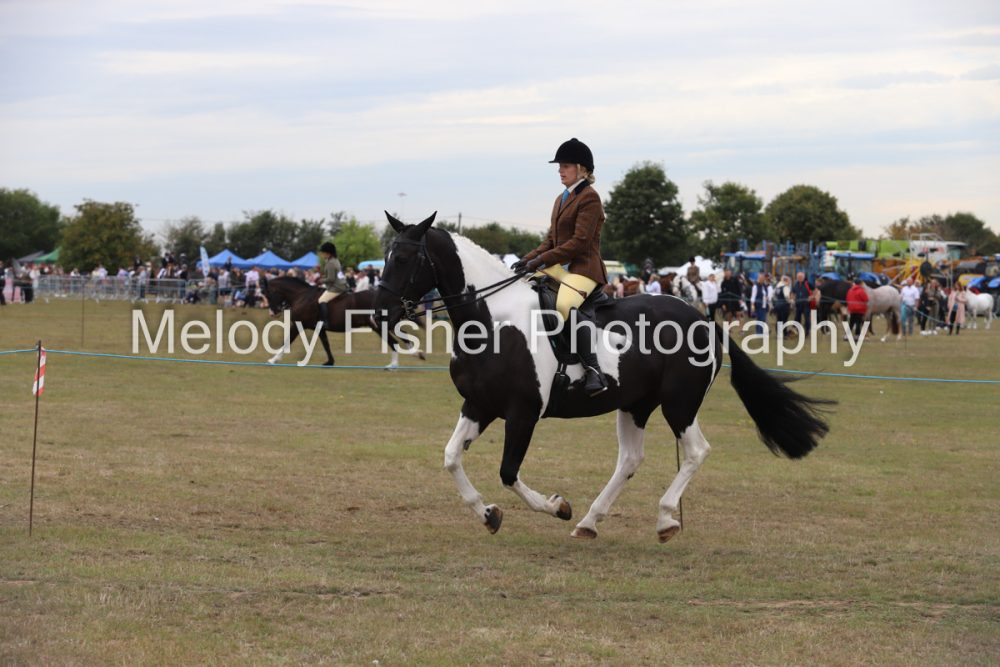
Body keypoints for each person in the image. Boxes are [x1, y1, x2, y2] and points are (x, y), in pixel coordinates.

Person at [513, 137, 608, 396]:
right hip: (560, 268)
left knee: (564, 305)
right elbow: (550, 241)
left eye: (565, 166)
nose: (560, 170)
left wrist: (541, 260)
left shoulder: (590, 198)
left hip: (584, 269)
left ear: (581, 169)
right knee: (522, 286)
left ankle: (594, 370)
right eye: (560, 166)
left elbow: (579, 242)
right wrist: (526, 260)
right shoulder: (561, 199)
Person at [317, 241, 348, 330]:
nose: (322, 254)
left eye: (323, 252)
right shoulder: (335, 260)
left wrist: (321, 281)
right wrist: (324, 277)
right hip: (341, 284)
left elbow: (331, 279)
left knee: (321, 300)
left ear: (328, 253)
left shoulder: (330, 263)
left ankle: (325, 322)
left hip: (337, 287)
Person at [791, 272, 812, 336]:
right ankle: (797, 330)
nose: (799, 278)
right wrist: (792, 299)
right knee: (797, 318)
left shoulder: (808, 284)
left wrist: (811, 297)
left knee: (807, 319)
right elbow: (792, 293)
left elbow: (815, 291)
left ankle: (807, 331)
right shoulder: (795, 284)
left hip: (806, 305)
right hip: (798, 304)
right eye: (798, 277)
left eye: (801, 277)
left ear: (803, 277)